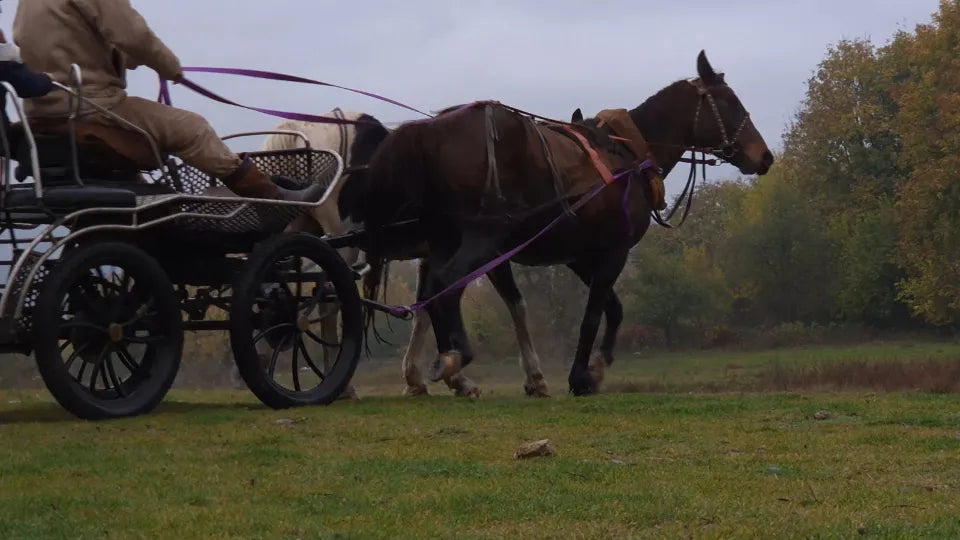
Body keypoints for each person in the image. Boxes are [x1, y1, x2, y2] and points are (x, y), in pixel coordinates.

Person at [11, 0, 320, 201]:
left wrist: (131, 59)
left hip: (42, 111)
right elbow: (133, 34)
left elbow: (74, 42)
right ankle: (270, 197)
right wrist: (170, 66)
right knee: (193, 128)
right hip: (91, 106)